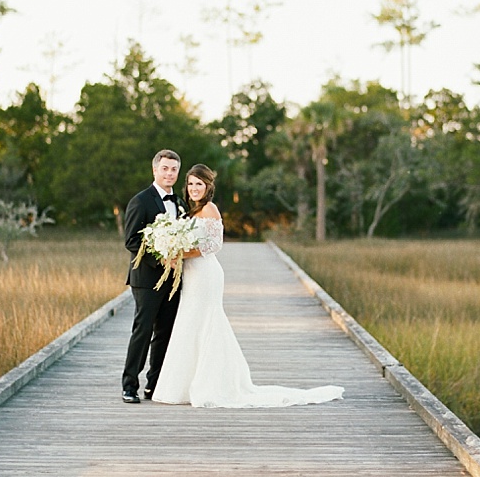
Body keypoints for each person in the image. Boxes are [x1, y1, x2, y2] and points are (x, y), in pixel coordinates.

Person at [152, 164, 344, 408]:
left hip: (206, 274)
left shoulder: (210, 209)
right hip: (192, 275)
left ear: (208, 186)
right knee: (191, 322)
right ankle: (184, 385)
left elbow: (213, 245)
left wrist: (180, 254)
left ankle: (210, 385)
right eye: (190, 184)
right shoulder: (191, 210)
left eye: (199, 184)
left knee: (205, 321)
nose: (193, 188)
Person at [121, 149, 183, 404]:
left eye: (174, 169)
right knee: (143, 331)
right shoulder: (141, 201)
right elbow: (132, 240)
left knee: (165, 333)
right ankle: (129, 385)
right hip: (147, 278)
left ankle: (154, 384)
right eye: (165, 168)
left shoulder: (179, 203)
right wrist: (160, 257)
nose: (169, 173)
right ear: (155, 170)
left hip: (173, 280)